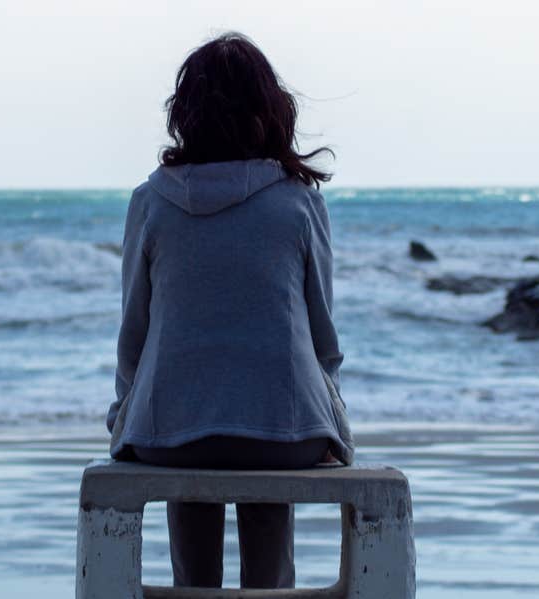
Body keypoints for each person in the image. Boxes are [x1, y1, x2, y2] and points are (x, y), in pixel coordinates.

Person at [106, 31, 354, 590]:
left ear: (185, 115)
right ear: (272, 110)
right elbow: (322, 337)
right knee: (271, 425)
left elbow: (135, 333)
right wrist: (335, 421)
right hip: (283, 435)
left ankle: (196, 585)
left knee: (185, 434)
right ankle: (267, 586)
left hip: (170, 432)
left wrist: (122, 414)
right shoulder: (298, 201)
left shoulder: (151, 201)